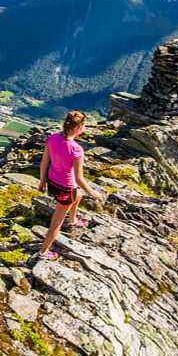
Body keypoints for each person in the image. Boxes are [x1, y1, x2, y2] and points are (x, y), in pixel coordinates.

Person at [36, 111, 102, 260]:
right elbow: (79, 178)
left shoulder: (52, 138)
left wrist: (42, 181)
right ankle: (43, 253)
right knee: (56, 223)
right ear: (78, 127)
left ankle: (73, 221)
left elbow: (44, 161)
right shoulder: (76, 149)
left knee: (77, 196)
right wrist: (93, 193)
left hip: (52, 182)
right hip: (66, 188)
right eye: (84, 125)